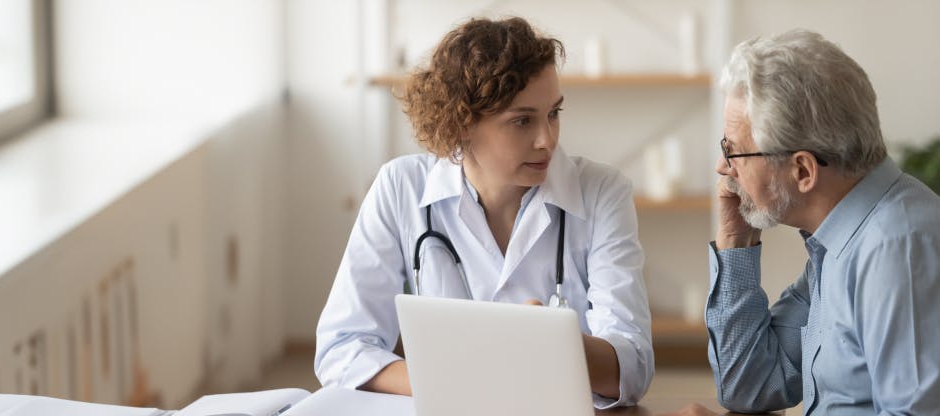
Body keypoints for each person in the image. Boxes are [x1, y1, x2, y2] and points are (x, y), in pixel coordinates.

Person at [313, 17, 653, 408]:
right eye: (522, 121)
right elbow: (342, 349)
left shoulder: (601, 192)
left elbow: (634, 364)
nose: (548, 140)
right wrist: (462, 381)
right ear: (460, 124)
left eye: (554, 113)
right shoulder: (399, 188)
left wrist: (556, 344)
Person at [686, 30, 940, 415]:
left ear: (803, 170)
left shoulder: (897, 248)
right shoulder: (837, 243)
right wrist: (735, 241)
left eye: (733, 150)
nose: (723, 168)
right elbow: (751, 385)